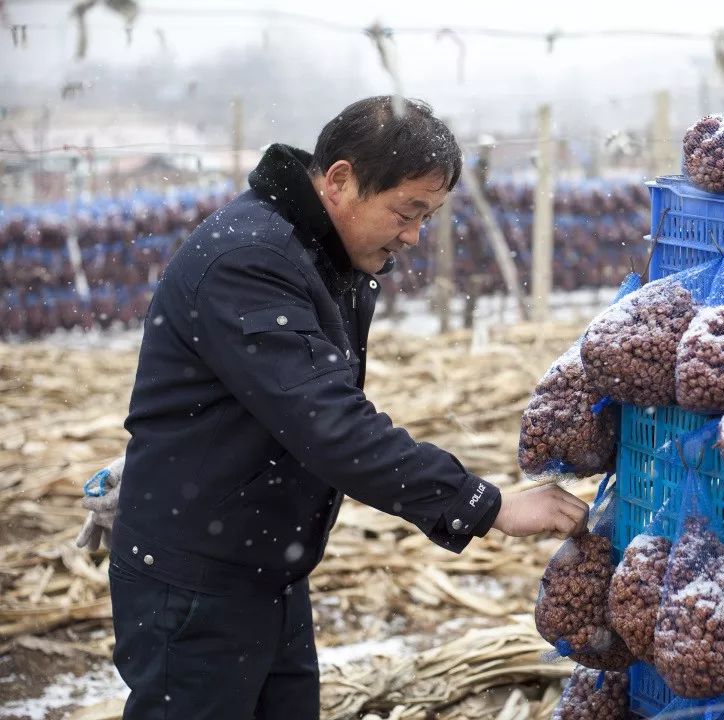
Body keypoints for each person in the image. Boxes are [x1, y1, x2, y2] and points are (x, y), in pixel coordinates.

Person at [76, 96, 589, 720]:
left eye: (426, 217)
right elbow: (330, 425)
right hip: (195, 584)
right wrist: (490, 505)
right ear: (340, 180)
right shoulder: (250, 261)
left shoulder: (311, 253)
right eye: (407, 212)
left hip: (262, 569)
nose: (413, 235)